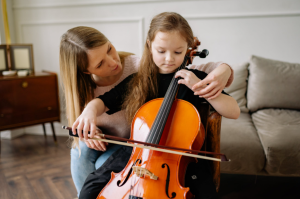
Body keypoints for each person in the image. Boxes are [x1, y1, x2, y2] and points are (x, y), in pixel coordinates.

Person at [72, 12, 240, 199]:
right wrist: (89, 111)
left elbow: (234, 111)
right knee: (90, 188)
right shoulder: (137, 81)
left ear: (187, 49)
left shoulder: (194, 80)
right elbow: (103, 102)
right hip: (136, 151)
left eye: (177, 52)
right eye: (161, 51)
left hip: (183, 158)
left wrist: (199, 88)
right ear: (149, 45)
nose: (169, 59)